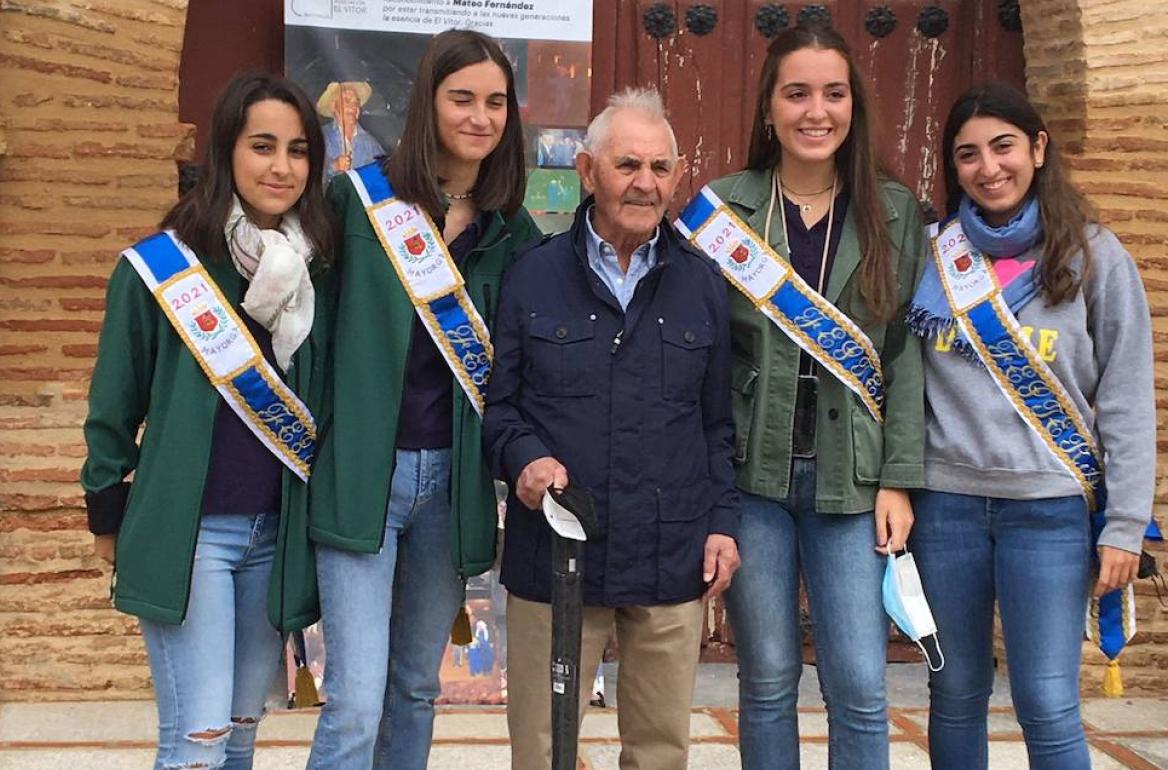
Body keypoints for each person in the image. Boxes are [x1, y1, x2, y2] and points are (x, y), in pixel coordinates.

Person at [688, 21, 927, 770]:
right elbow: (696, 357)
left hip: (851, 482)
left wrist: (899, 476)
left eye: (833, 93)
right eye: (797, 94)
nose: (814, 111)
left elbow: (904, 356)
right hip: (749, 480)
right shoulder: (723, 210)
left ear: (853, 106)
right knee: (765, 680)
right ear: (768, 108)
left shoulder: (894, 211)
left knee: (859, 682)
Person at [81, 72, 335, 770]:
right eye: (262, 146)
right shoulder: (159, 268)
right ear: (226, 151)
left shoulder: (314, 269)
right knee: (198, 743)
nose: (281, 166)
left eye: (298, 150)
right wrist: (108, 515)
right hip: (191, 535)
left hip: (274, 535)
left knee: (241, 736)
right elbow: (112, 408)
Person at [483, 87, 741, 770]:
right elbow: (496, 409)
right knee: (542, 751)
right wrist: (525, 459)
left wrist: (722, 523)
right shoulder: (530, 277)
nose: (645, 183)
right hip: (557, 561)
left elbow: (718, 425)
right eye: (628, 165)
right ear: (587, 171)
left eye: (660, 168)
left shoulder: (704, 284)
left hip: (670, 555)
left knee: (660, 752)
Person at [305, 29, 539, 770]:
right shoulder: (359, 203)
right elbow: (305, 334)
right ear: (427, 104)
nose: (480, 116)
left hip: (452, 484)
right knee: (353, 699)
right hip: (362, 477)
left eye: (496, 102)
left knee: (413, 688)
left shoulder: (516, 231)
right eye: (462, 98)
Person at [905, 82, 1156, 770]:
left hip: (1048, 513)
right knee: (954, 689)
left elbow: (1130, 397)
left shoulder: (1096, 256)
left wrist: (1126, 523)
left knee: (1046, 700)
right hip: (947, 506)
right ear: (952, 168)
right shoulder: (931, 256)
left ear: (1039, 148)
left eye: (1004, 146)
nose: (989, 167)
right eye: (968, 155)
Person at [317, 80, 386, 180]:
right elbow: (309, 175)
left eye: (356, 102)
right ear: (333, 106)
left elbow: (384, 176)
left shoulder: (370, 143)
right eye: (347, 100)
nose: (354, 106)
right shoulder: (321, 137)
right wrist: (334, 167)